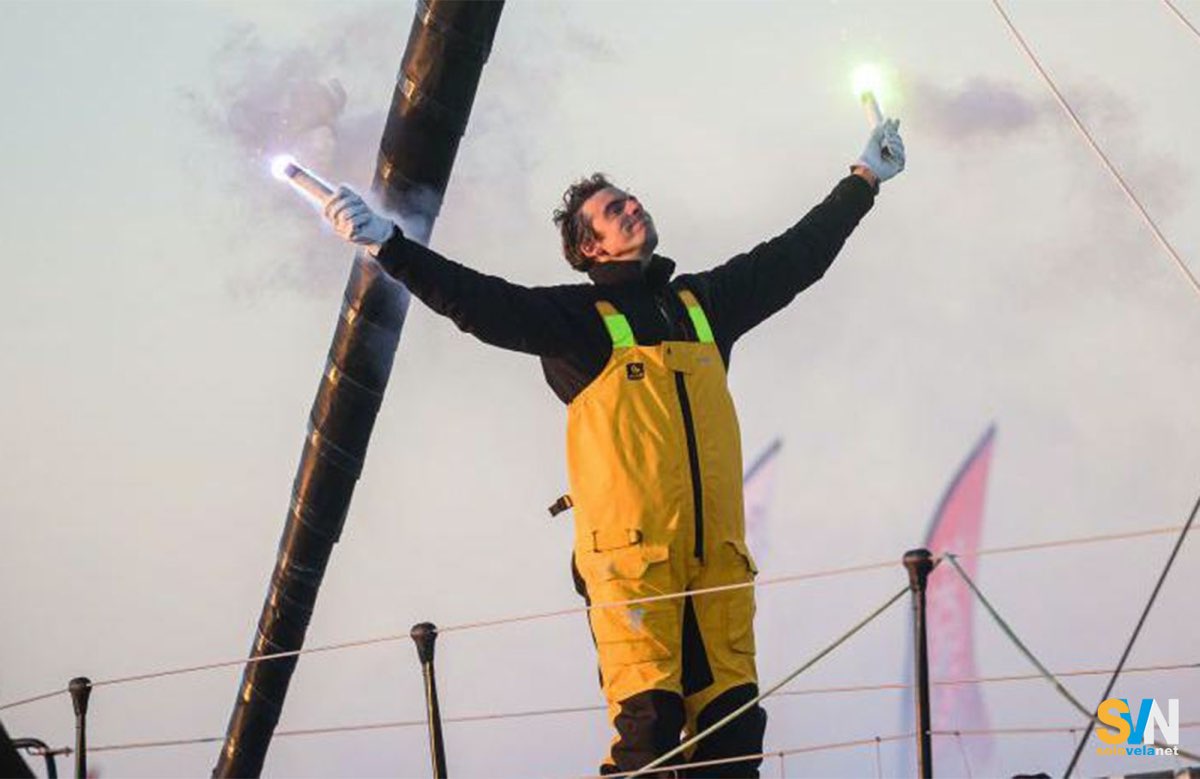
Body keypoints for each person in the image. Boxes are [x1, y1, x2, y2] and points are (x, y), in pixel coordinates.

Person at [322, 120, 906, 776]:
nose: (632, 206)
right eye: (612, 209)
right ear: (589, 248)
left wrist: (863, 180)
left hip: (717, 566)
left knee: (735, 734)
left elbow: (795, 256)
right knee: (648, 734)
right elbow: (479, 302)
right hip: (635, 573)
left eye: (630, 199)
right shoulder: (576, 321)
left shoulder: (703, 303)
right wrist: (389, 246)